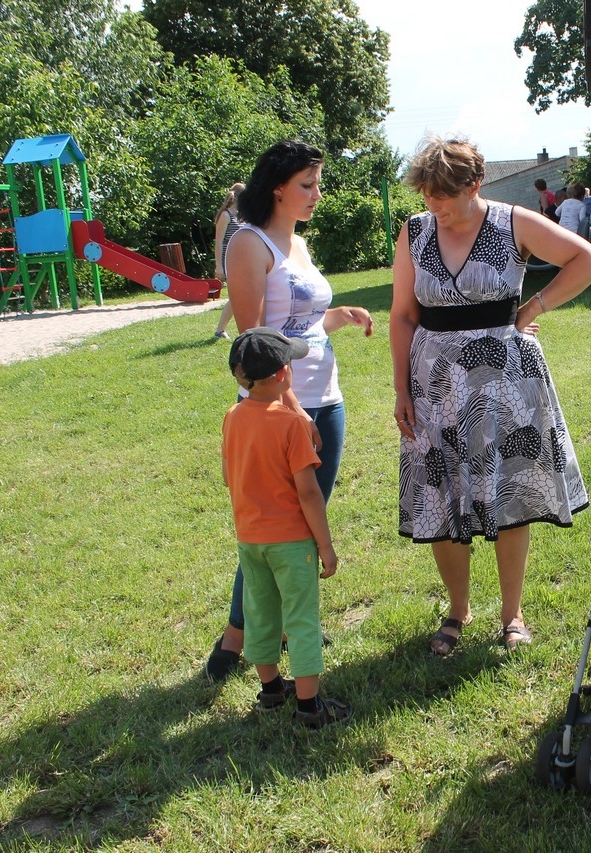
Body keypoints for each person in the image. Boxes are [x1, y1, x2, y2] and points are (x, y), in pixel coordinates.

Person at [390, 135, 591, 655]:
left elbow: (588, 261)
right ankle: (457, 610)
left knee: (510, 497)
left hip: (506, 383)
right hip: (435, 385)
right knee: (440, 498)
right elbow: (402, 315)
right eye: (428, 197)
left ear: (475, 185)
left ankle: (513, 614)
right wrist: (401, 387)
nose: (435, 207)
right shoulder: (415, 232)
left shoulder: (513, 223)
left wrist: (534, 308)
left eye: (446, 197)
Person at [204, 140, 374, 682]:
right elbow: (254, 343)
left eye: (317, 183)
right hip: (279, 412)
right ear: (277, 186)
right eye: (307, 184)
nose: (316, 194)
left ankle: (281, 624)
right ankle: (237, 636)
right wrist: (292, 407)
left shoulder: (297, 243)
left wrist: (339, 316)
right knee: (273, 527)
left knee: (301, 529)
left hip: (326, 400)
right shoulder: (249, 245)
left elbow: (302, 322)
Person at [222, 327, 352, 729]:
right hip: (292, 542)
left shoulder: (232, 418)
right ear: (282, 376)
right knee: (300, 618)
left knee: (260, 613)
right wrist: (325, 546)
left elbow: (230, 477)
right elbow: (310, 494)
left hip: (250, 539)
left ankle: (272, 690)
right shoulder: (291, 424)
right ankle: (310, 707)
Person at [211, 182, 245, 339]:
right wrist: (219, 266)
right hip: (229, 261)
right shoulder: (225, 215)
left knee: (243, 296)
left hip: (242, 260)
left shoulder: (242, 215)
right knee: (237, 297)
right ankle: (220, 331)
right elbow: (219, 242)